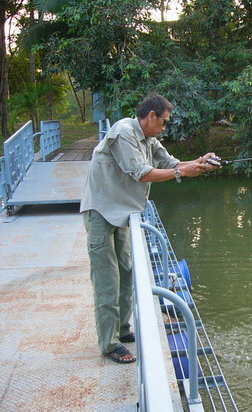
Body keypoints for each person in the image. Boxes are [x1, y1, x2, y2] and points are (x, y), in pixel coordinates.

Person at [80, 93, 218, 363]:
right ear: (151, 116)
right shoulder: (124, 132)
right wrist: (183, 173)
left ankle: (122, 329)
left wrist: (200, 162)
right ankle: (109, 344)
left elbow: (172, 164)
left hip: (123, 213)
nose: (165, 128)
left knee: (127, 272)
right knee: (107, 280)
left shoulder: (149, 139)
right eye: (164, 122)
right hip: (100, 211)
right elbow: (141, 172)